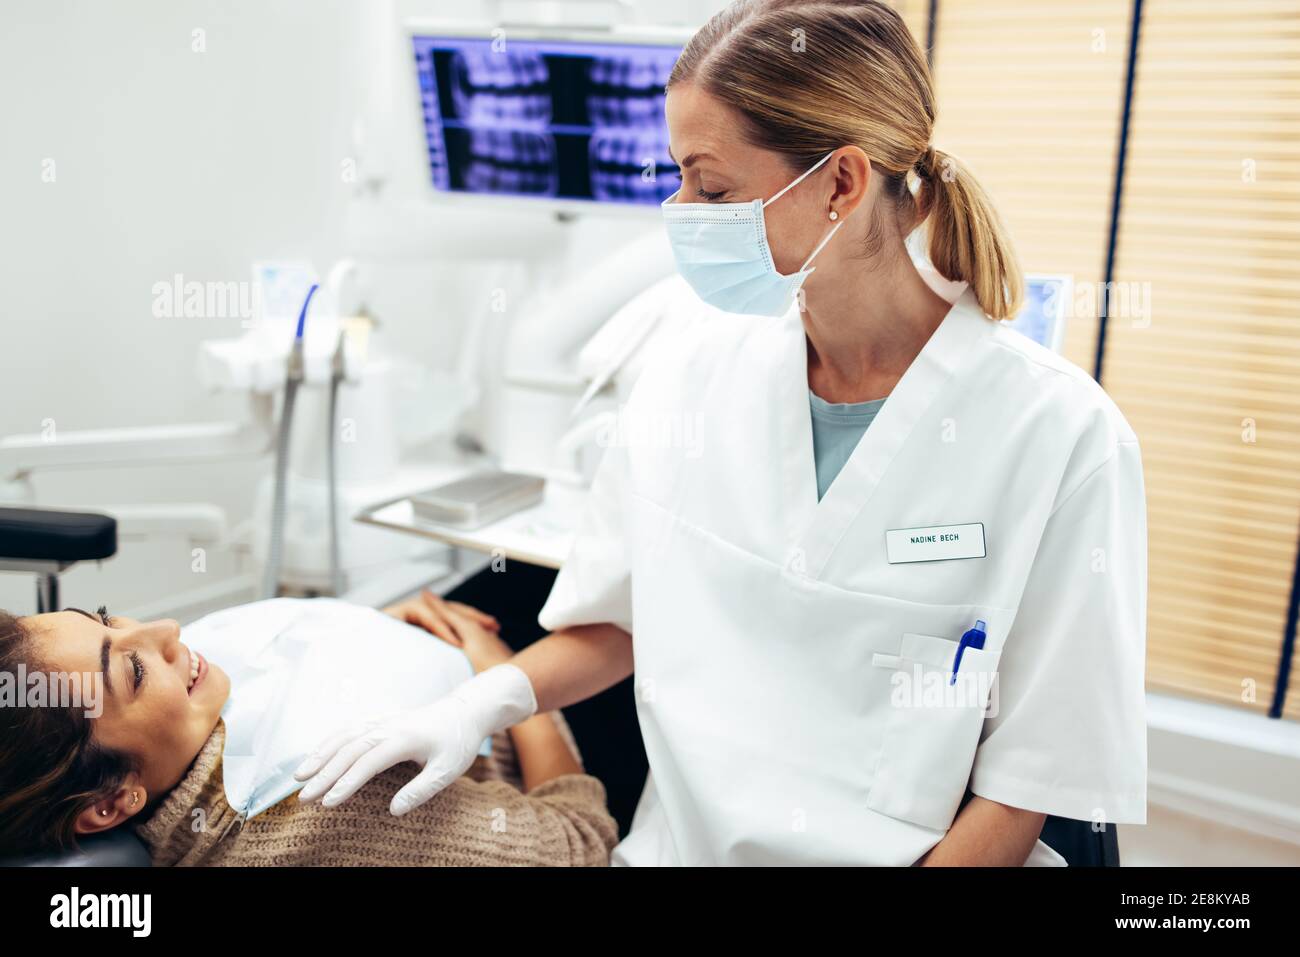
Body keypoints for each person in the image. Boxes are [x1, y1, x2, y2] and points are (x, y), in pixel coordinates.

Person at [296, 0, 1148, 866]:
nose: (683, 211)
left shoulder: (1062, 437)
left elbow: (1032, 779)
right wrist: (475, 705)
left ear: (841, 185)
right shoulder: (689, 368)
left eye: (711, 186)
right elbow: (618, 620)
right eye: (678, 178)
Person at [0, 593, 617, 866]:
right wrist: (506, 678)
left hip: (454, 662)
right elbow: (584, 842)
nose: (165, 629)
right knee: (638, 608)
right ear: (112, 802)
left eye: (107, 618)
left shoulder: (188, 713)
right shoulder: (327, 800)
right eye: (132, 669)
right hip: (548, 746)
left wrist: (365, 630)